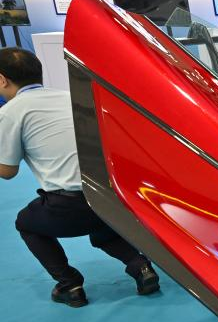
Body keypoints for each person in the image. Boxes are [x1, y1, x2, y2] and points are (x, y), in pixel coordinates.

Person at [0, 48, 159, 307]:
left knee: (25, 222)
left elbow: (7, 172)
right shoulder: (70, 98)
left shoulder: (11, 112)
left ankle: (70, 285)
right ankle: (141, 267)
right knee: (102, 227)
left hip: (69, 206)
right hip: (112, 197)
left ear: (2, 79)